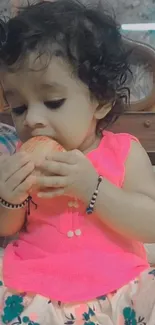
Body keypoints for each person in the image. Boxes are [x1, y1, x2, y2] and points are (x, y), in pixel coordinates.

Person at [0, 1, 155, 324]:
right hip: (34, 286)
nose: (33, 120)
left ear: (101, 101)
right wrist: (9, 199)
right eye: (18, 108)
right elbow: (8, 228)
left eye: (53, 102)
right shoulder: (19, 154)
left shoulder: (124, 151)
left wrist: (94, 189)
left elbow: (150, 223)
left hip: (118, 283)